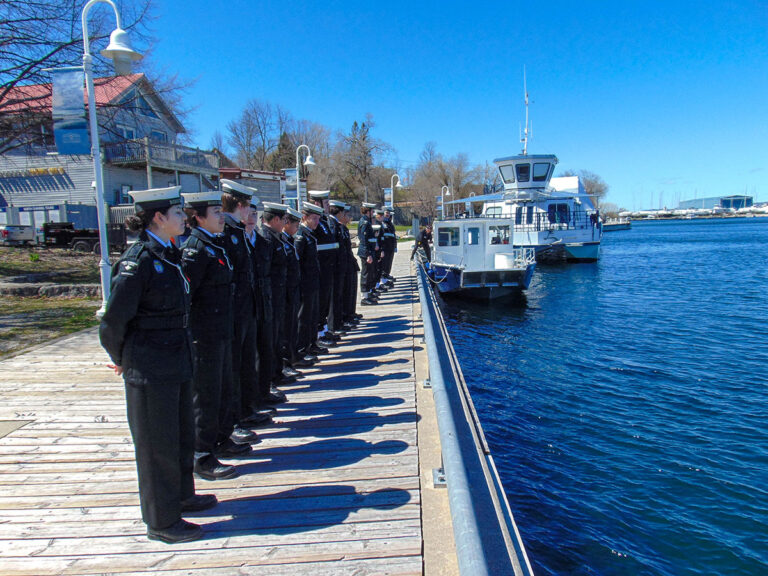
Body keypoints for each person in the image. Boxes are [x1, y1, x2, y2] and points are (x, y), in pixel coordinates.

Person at [99, 186, 215, 544]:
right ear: (158, 218)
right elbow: (113, 321)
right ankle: (161, 520)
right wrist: (122, 359)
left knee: (179, 435)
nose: (184, 218)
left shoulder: (169, 254)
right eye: (177, 213)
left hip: (175, 359)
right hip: (148, 366)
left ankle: (181, 496)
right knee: (156, 445)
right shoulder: (140, 261)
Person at [180, 191, 238, 482]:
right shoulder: (195, 249)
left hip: (221, 331)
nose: (221, 216)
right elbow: (187, 297)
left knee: (222, 390)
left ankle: (221, 439)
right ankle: (201, 455)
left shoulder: (215, 245)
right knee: (204, 397)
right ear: (199, 217)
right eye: (215, 212)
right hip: (204, 335)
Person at [219, 179, 264, 457]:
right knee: (232, 369)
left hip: (245, 309)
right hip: (231, 313)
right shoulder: (227, 232)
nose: (251, 211)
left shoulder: (237, 231)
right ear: (239, 205)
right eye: (248, 205)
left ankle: (245, 411)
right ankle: (233, 421)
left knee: (246, 362)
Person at [295, 202, 334, 359]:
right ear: (304, 217)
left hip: (313, 282)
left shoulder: (310, 234)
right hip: (305, 284)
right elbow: (298, 262)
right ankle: (302, 349)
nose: (317, 222)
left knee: (312, 316)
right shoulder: (301, 235)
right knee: (303, 318)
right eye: (314, 219)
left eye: (318, 218)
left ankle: (312, 344)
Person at [280, 206, 314, 370]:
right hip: (287, 290)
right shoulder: (288, 240)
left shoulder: (290, 240)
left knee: (293, 325)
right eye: (294, 224)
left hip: (295, 288)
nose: (296, 228)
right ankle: (288, 360)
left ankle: (294, 356)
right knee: (289, 327)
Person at [307, 190, 339, 343]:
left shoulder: (324, 222)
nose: (327, 206)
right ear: (316, 204)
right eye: (325, 203)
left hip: (329, 268)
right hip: (321, 268)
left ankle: (324, 330)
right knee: (319, 303)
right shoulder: (317, 225)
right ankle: (319, 334)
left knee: (325, 302)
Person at [327, 199, 348, 336]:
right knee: (334, 298)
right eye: (343, 212)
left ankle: (338, 322)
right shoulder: (332, 225)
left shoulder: (336, 225)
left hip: (339, 266)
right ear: (339, 212)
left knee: (339, 295)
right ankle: (333, 326)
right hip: (334, 267)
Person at [357, 202, 378, 305]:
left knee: (370, 273)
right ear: (368, 211)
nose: (373, 213)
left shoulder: (367, 222)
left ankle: (368, 293)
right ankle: (364, 297)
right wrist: (368, 254)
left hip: (370, 250)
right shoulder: (364, 222)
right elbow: (364, 239)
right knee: (366, 274)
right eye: (371, 211)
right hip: (366, 251)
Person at [381, 208, 397, 285]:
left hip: (390, 246)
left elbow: (393, 235)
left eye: (389, 213)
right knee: (384, 263)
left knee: (389, 262)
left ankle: (387, 274)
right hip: (385, 246)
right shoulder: (382, 223)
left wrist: (395, 246)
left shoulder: (390, 223)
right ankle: (384, 277)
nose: (387, 214)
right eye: (386, 213)